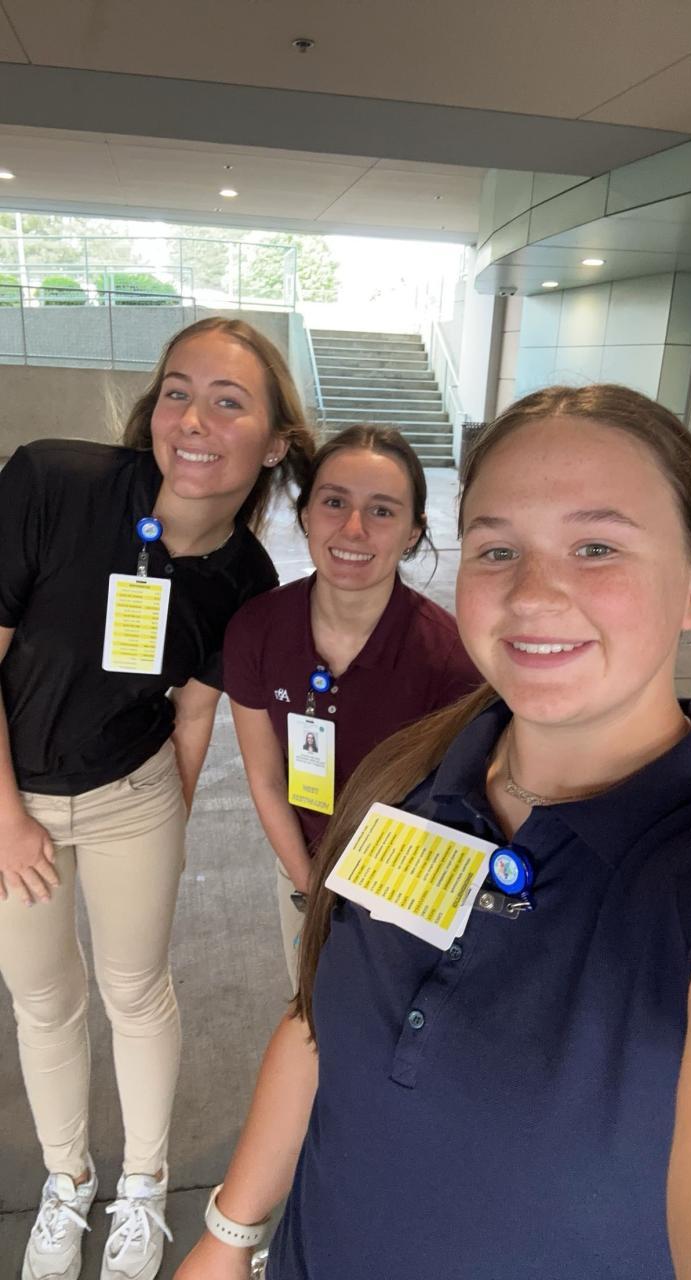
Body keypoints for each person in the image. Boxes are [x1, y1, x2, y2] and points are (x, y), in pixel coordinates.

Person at [175, 383, 691, 1280]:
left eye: (596, 546)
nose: (534, 593)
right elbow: (322, 1018)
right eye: (498, 548)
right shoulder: (410, 778)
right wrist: (227, 1235)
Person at [0, 315, 314, 1280]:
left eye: (228, 402)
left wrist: (168, 823)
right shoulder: (53, 482)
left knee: (136, 992)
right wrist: (6, 817)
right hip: (13, 800)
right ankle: (66, 1182)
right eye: (178, 392)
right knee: (42, 998)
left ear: (275, 442)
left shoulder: (245, 578)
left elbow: (192, 715)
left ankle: (143, 1185)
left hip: (132, 795)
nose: (193, 420)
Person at [222, 425, 479, 980]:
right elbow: (266, 778)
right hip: (303, 864)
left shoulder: (451, 658)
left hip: (407, 883)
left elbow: (457, 810)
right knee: (309, 1006)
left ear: (413, 532)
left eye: (382, 511)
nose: (354, 528)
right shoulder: (256, 630)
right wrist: (310, 888)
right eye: (335, 502)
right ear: (306, 514)